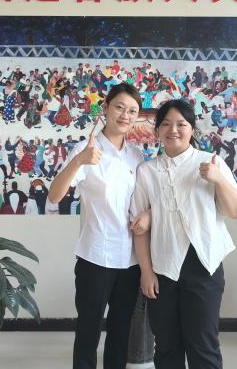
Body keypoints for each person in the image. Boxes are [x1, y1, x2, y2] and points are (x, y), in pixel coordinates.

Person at [131, 99, 237, 369]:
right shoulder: (147, 171)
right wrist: (146, 272)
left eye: (181, 124)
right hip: (163, 267)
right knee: (166, 346)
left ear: (192, 129)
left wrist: (218, 179)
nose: (173, 130)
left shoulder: (210, 162)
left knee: (203, 345)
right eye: (166, 124)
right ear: (157, 130)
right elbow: (138, 227)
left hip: (203, 264)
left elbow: (235, 211)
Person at [47, 83, 149, 369]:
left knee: (120, 331)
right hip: (95, 256)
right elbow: (54, 196)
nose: (125, 115)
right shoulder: (85, 149)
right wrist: (79, 161)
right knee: (88, 331)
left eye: (132, 111)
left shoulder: (136, 155)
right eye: (119, 107)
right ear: (105, 108)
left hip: (130, 260)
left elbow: (144, 201)